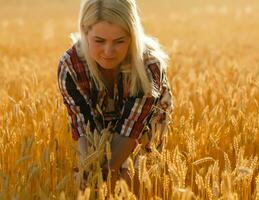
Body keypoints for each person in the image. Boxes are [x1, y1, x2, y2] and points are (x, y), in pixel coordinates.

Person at [57, 0, 173, 192]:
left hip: (143, 124)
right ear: (85, 33)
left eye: (119, 41)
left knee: (135, 176)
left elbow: (132, 129)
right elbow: (83, 125)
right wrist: (91, 169)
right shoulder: (70, 66)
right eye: (99, 41)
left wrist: (106, 171)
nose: (108, 52)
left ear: (132, 36)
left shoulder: (147, 65)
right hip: (97, 117)